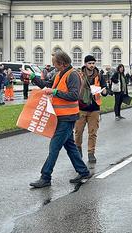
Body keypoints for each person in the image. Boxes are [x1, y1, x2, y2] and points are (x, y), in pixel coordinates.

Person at [23, 50, 91, 188]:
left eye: (55, 63)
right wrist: (33, 77)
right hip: (61, 116)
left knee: (54, 147)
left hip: (67, 117)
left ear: (62, 63)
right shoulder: (60, 73)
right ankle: (83, 172)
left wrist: (54, 92)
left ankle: (45, 176)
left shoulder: (72, 74)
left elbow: (73, 95)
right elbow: (47, 85)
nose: (53, 66)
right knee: (70, 146)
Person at [74, 55, 108, 163]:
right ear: (85, 64)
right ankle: (78, 151)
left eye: (93, 63)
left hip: (94, 108)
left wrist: (104, 91)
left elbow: (105, 89)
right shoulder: (79, 75)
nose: (92, 65)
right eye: (89, 63)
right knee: (78, 132)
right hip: (81, 108)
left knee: (92, 132)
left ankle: (91, 153)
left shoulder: (99, 76)